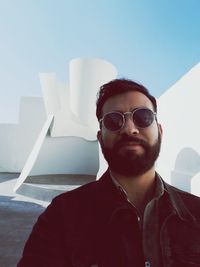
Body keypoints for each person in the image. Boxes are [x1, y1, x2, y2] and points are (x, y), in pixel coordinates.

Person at [17, 78, 200, 267]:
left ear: (160, 131)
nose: (130, 129)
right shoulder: (62, 216)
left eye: (143, 117)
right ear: (100, 137)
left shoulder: (196, 212)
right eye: (114, 120)